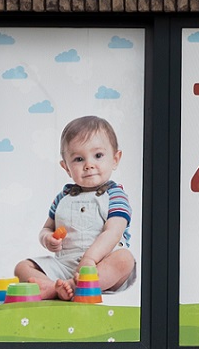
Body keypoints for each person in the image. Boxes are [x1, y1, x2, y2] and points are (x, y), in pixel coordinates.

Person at [16, 116, 137, 299]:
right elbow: (47, 228)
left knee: (124, 259)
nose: (89, 165)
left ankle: (76, 286)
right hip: (65, 265)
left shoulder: (115, 195)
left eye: (98, 156)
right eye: (79, 159)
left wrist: (90, 259)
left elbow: (113, 232)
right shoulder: (63, 197)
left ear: (115, 159)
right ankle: (54, 287)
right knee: (23, 267)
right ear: (66, 167)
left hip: (101, 266)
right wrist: (47, 239)